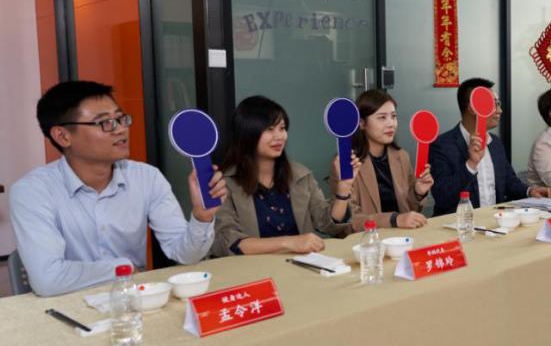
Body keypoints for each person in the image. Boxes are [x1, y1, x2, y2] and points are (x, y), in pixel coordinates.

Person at [10, 81, 227, 297]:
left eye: (121, 119)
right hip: (65, 308)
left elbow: (184, 255)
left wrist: (202, 217)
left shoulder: (147, 178)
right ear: (63, 136)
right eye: (105, 122)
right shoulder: (32, 192)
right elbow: (48, 280)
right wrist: (123, 268)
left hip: (134, 303)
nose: (121, 129)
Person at [212, 96, 355, 257]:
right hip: (253, 269)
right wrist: (288, 242)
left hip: (301, 265)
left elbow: (328, 224)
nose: (279, 136)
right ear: (247, 133)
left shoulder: (300, 175)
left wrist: (343, 189)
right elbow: (226, 242)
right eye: (269, 129)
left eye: (282, 128)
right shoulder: (224, 183)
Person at [429, 78, 551, 215]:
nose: (500, 110)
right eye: (493, 104)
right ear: (472, 107)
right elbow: (442, 197)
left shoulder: (495, 142)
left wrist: (530, 191)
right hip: (459, 223)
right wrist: (471, 164)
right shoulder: (442, 145)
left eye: (498, 104)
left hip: (495, 221)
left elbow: (509, 182)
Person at [329, 89, 434, 231]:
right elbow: (349, 221)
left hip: (402, 238)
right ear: (362, 123)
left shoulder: (402, 157)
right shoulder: (347, 163)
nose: (391, 124)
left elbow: (409, 211)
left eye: (393, 116)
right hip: (368, 240)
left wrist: (418, 192)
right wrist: (394, 220)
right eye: (382, 118)